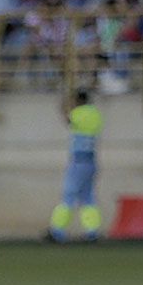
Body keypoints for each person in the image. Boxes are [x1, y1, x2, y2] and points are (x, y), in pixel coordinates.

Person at [49, 90, 103, 242]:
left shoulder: (79, 113)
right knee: (88, 197)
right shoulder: (96, 114)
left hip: (78, 160)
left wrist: (62, 105)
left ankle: (57, 230)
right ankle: (92, 230)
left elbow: (68, 120)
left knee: (68, 194)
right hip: (91, 160)